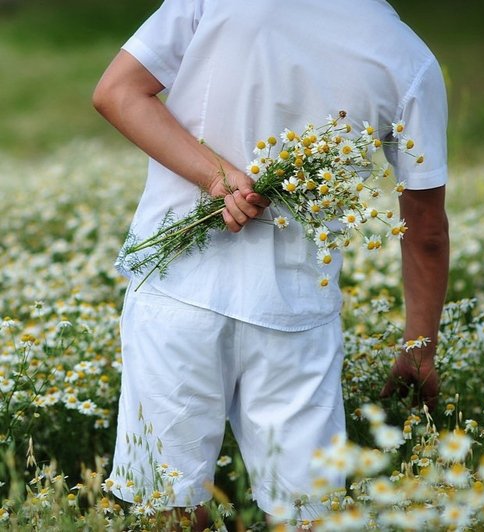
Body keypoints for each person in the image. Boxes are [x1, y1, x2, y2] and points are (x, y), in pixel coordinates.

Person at [93, 0, 449, 528]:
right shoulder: (409, 59)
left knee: (168, 510)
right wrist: (419, 348)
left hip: (177, 291)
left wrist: (216, 176)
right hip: (295, 310)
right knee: (307, 515)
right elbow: (424, 230)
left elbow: (117, 92)